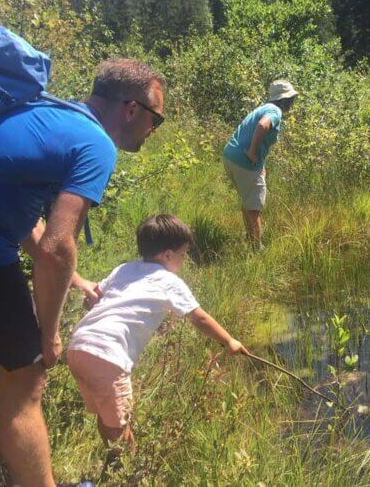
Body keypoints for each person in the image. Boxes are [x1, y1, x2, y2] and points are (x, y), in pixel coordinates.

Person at [0, 58, 166, 487]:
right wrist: (50, 334)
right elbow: (58, 246)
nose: (153, 130)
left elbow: (15, 215)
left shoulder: (46, 112)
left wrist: (74, 281)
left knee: (11, 375)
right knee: (26, 382)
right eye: (156, 119)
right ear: (132, 109)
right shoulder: (96, 143)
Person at [67, 214, 248, 461]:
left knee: (106, 414)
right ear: (167, 255)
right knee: (121, 425)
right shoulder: (169, 281)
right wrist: (229, 341)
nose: (184, 261)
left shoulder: (125, 269)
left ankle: (113, 463)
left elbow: (94, 296)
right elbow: (200, 318)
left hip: (79, 346)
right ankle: (128, 475)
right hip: (108, 354)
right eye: (183, 255)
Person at [222, 80, 297, 250]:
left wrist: (259, 162)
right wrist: (252, 152)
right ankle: (257, 249)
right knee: (254, 207)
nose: (293, 102)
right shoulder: (275, 111)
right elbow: (262, 126)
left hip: (230, 157)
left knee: (247, 202)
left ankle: (250, 240)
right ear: (283, 99)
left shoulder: (263, 107)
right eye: (291, 98)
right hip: (244, 160)